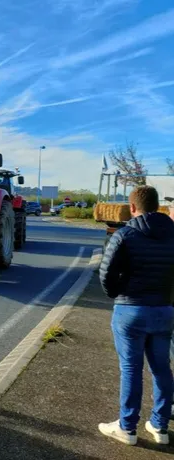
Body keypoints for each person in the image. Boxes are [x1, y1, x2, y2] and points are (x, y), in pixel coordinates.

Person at [99, 185, 174, 446]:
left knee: (131, 369)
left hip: (130, 309)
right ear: (158, 206)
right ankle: (160, 426)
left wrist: (118, 294)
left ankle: (127, 428)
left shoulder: (125, 235)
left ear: (132, 208)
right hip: (164, 309)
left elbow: (106, 274)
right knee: (162, 368)